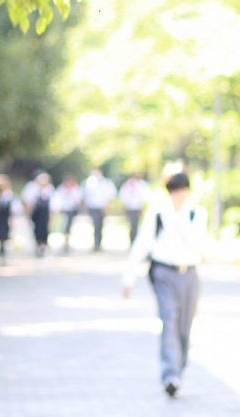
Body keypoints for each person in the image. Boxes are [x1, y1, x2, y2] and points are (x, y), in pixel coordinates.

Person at [121, 172, 208, 398]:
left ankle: (179, 369)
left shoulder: (196, 214)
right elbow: (142, 245)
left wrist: (180, 221)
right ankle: (170, 375)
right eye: (175, 191)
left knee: (184, 327)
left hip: (189, 273)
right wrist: (128, 279)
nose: (179, 195)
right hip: (163, 273)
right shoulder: (157, 214)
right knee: (168, 320)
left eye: (182, 190)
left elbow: (200, 245)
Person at [83, 168, 117, 251]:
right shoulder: (89, 182)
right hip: (93, 207)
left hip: (102, 207)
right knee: (95, 224)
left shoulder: (106, 183)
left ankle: (98, 243)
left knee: (100, 225)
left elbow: (111, 194)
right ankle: (96, 243)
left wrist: (107, 205)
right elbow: (86, 195)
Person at [23, 172, 55, 257]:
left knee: (45, 231)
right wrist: (28, 216)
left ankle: (43, 246)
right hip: (36, 215)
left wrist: (52, 219)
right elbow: (28, 204)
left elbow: (54, 206)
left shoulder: (50, 190)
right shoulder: (32, 190)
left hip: (46, 215)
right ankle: (38, 246)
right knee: (37, 231)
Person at [53, 174, 84, 252]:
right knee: (63, 226)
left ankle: (67, 242)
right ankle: (64, 242)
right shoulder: (61, 189)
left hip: (71, 210)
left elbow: (78, 200)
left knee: (68, 226)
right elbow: (57, 200)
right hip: (63, 210)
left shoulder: (76, 189)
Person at [119, 173, 152, 245]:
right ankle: (133, 240)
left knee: (136, 225)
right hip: (129, 207)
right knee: (132, 225)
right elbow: (123, 196)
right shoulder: (127, 185)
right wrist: (124, 206)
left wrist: (142, 207)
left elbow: (145, 197)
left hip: (138, 208)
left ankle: (135, 241)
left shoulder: (141, 185)